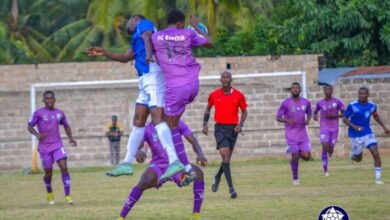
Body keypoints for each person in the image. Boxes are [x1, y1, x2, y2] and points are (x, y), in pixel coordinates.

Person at [86, 14, 184, 179]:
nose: (127, 23)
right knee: (138, 121)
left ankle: (175, 161)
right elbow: (125, 58)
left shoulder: (144, 24)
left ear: (136, 19)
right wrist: (104, 52)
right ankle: (126, 163)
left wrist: (148, 54)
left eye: (129, 19)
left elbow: (147, 37)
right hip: (144, 79)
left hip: (153, 75)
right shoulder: (136, 38)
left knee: (157, 119)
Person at [151, 9, 213, 180]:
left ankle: (177, 165)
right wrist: (196, 28)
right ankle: (179, 164)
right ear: (180, 23)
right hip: (193, 85)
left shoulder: (156, 37)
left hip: (176, 88)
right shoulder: (187, 33)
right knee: (171, 124)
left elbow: (148, 51)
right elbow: (210, 43)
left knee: (166, 128)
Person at [117, 120, 207, 220]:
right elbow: (137, 145)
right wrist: (138, 152)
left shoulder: (177, 122)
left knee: (198, 173)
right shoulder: (148, 128)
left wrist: (200, 154)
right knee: (143, 182)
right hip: (159, 166)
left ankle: (196, 215)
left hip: (178, 164)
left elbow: (193, 140)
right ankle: (121, 217)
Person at [202, 71, 247, 198]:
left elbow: (244, 112)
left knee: (226, 160)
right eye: (223, 77)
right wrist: (205, 123)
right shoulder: (214, 95)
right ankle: (231, 189)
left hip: (233, 129)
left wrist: (240, 125)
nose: (225, 79)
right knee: (225, 158)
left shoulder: (239, 95)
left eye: (227, 77)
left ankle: (217, 176)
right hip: (220, 128)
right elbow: (208, 109)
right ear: (220, 80)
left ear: (231, 79)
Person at [27, 91, 77, 205]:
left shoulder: (59, 113)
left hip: (57, 145)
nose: (49, 100)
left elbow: (66, 126)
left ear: (54, 100)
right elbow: (29, 126)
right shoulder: (38, 113)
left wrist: (71, 138)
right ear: (44, 101)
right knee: (48, 173)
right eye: (47, 98)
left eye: (51, 98)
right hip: (44, 147)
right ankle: (49, 191)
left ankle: (68, 196)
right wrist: (37, 135)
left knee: (63, 166)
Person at [343, 87, 390, 185]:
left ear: (367, 94)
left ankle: (378, 179)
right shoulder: (352, 105)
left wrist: (384, 128)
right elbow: (345, 119)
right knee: (358, 159)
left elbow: (376, 115)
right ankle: (354, 155)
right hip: (354, 134)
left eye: (364, 94)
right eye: (360, 93)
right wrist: (354, 127)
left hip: (367, 132)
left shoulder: (372, 105)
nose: (361, 95)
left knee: (375, 152)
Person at [276, 82, 312, 185]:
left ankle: (294, 155)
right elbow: (278, 117)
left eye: (297, 88)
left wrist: (308, 120)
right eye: (293, 88)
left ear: (300, 90)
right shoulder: (286, 103)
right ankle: (295, 179)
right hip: (291, 134)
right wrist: (287, 120)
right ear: (291, 90)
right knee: (295, 155)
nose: (295, 89)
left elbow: (309, 113)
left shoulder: (306, 102)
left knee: (307, 157)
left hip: (303, 134)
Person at [313, 84, 345, 176]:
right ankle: (325, 170)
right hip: (324, 127)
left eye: (329, 90)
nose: (328, 91)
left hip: (334, 128)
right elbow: (315, 112)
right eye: (326, 90)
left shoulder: (337, 102)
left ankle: (331, 151)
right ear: (323, 91)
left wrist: (334, 116)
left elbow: (344, 113)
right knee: (324, 145)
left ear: (332, 90)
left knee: (330, 147)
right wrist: (315, 117)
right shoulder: (320, 102)